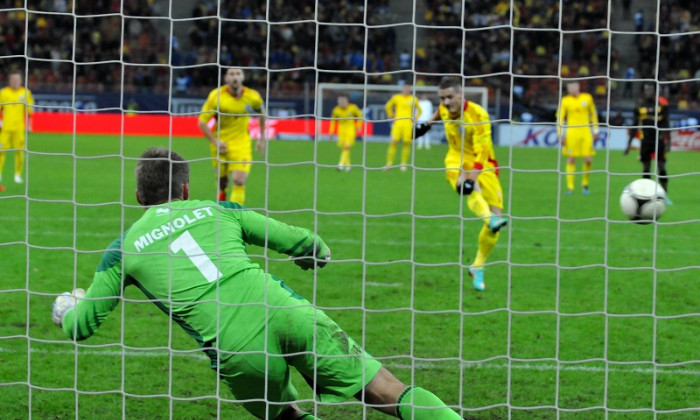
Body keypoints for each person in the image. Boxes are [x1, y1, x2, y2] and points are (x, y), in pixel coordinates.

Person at [51, 147, 462, 420]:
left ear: (139, 196)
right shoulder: (218, 208)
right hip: (285, 311)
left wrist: (69, 306)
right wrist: (311, 255)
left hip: (236, 349)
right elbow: (303, 241)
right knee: (388, 389)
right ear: (186, 188)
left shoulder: (123, 248)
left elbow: (82, 326)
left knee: (287, 416)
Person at [413, 77, 508, 291]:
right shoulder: (444, 109)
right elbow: (439, 114)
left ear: (460, 94)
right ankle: (489, 218)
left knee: (495, 221)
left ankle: (478, 266)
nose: (445, 102)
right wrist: (425, 126)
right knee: (465, 186)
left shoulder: (478, 115)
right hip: (456, 159)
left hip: (484, 162)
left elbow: (483, 152)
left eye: (449, 97)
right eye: (442, 98)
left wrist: (474, 176)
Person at [198, 67, 266, 205]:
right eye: (231, 74)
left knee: (239, 180)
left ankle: (235, 216)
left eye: (238, 74)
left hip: (242, 143)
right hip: (221, 143)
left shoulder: (253, 96)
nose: (235, 77)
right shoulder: (216, 96)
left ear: (243, 77)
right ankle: (221, 213)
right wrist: (215, 141)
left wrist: (262, 138)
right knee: (222, 184)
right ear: (226, 78)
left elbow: (262, 115)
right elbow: (202, 122)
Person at [624, 83, 672, 204]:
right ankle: (647, 195)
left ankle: (665, 196)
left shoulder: (661, 106)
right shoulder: (639, 106)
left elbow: (666, 124)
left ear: (655, 91)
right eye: (646, 89)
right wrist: (628, 144)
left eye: (651, 89)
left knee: (661, 167)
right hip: (645, 141)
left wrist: (669, 142)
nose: (649, 91)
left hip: (659, 140)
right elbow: (634, 126)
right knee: (646, 168)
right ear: (643, 92)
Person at [557, 81, 599, 195]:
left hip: (585, 132)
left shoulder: (587, 98)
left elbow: (593, 114)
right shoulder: (565, 100)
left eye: (574, 87)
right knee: (571, 159)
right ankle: (570, 187)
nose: (572, 90)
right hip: (572, 133)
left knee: (588, 159)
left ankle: (585, 184)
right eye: (570, 88)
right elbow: (560, 118)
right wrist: (560, 134)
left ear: (578, 87)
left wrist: (596, 130)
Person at [0, 69, 34, 184]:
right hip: (5, 129)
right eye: (13, 79)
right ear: (9, 80)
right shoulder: (3, 93)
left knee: (20, 152)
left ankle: (18, 175)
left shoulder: (26, 93)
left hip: (19, 128)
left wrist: (29, 126)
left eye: (17, 79)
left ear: (21, 80)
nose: (15, 81)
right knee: (1, 151)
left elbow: (29, 112)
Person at [384, 83, 422, 171]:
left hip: (408, 124)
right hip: (397, 124)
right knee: (393, 142)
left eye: (407, 88)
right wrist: (391, 116)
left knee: (406, 143)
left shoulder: (413, 99)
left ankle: (403, 164)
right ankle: (389, 163)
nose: (406, 90)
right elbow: (387, 106)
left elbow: (420, 110)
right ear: (402, 89)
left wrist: (415, 118)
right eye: (404, 88)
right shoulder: (396, 97)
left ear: (410, 89)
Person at [328, 94, 363, 172]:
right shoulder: (336, 110)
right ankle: (348, 167)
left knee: (347, 147)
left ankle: (340, 165)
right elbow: (333, 122)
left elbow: (360, 115)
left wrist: (358, 126)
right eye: (340, 101)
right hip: (341, 130)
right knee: (344, 149)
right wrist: (331, 132)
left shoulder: (353, 107)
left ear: (347, 101)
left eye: (343, 100)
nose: (341, 102)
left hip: (350, 129)